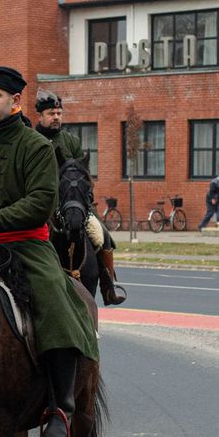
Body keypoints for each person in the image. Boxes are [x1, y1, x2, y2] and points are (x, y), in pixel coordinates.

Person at [0, 64, 97, 437]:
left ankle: (60, 408)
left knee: (58, 306)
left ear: (14, 102)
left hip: (26, 246)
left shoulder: (37, 147)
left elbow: (42, 203)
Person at [34, 91, 125, 306]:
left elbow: (82, 175)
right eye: (51, 113)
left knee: (101, 235)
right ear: (40, 116)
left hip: (72, 204)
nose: (56, 117)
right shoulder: (33, 140)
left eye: (59, 112)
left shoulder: (71, 141)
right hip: (41, 204)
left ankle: (108, 286)